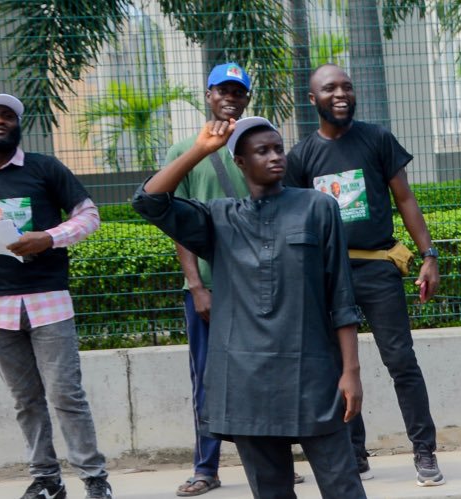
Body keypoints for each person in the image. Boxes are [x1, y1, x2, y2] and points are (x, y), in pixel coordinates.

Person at [135, 117, 367, 498]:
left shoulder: (318, 208)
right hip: (245, 382)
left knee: (344, 487)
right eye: (262, 151)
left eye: (278, 148)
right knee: (271, 492)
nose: (275, 156)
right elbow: (149, 201)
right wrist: (201, 150)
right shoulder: (219, 217)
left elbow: (341, 297)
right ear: (240, 163)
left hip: (312, 374)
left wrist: (351, 371)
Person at [284, 64, 444, 485]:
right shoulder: (300, 157)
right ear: (312, 99)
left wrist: (428, 255)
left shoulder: (377, 140)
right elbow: (294, 221)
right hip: (329, 276)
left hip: (377, 268)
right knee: (337, 366)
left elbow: (405, 199)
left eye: (347, 86)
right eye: (330, 88)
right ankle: (355, 455)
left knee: (401, 360)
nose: (341, 94)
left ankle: (424, 450)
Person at [0, 93, 112, 499]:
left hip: (49, 301)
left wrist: (48, 238)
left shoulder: (45, 168)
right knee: (25, 400)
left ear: (18, 126)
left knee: (66, 395)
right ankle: (46, 480)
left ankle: (94, 478)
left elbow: (89, 215)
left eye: (8, 116)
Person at [166, 62, 298, 497]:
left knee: (268, 370)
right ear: (208, 95)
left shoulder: (262, 147)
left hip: (260, 286)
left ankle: (274, 462)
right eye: (222, 90)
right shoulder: (186, 150)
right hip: (211, 286)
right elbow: (178, 223)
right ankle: (206, 467)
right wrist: (196, 286)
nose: (230, 98)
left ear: (245, 98)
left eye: (237, 92)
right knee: (207, 376)